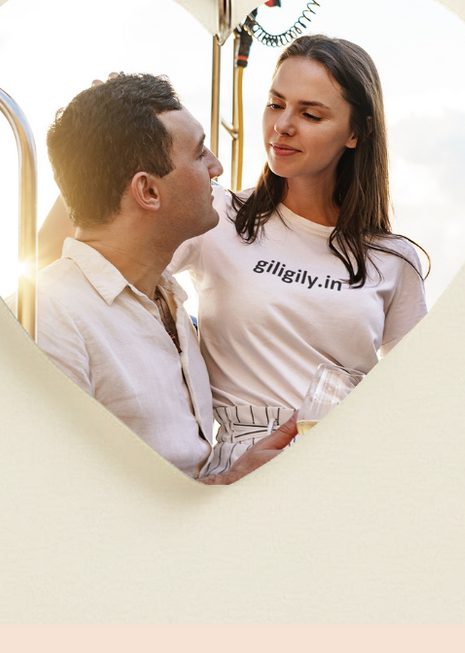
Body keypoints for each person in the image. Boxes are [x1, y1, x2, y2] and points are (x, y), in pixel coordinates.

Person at [170, 34, 428, 475]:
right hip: (244, 467)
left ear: (356, 132)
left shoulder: (393, 261)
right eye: (275, 104)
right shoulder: (215, 216)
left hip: (351, 469)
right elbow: (92, 259)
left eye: (310, 114)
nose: (283, 125)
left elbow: (418, 401)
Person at [34, 73, 296, 486]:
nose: (217, 166)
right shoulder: (48, 317)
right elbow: (56, 498)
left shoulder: (169, 302)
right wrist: (225, 486)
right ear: (148, 192)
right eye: (198, 154)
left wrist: (235, 475)